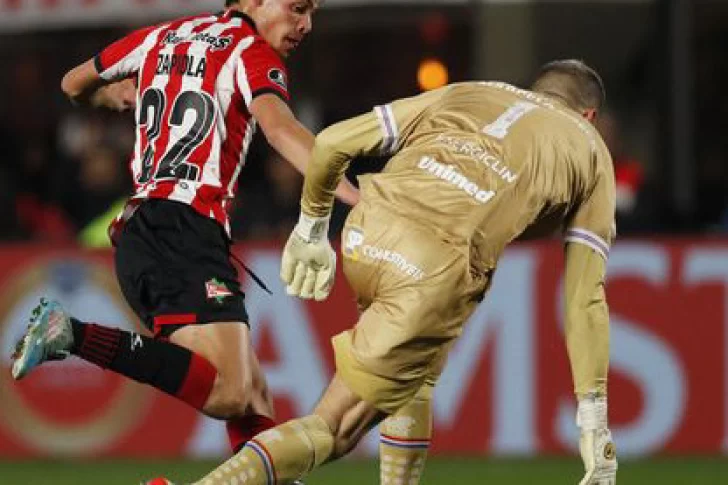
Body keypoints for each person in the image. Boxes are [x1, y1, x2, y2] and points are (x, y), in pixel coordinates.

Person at [190, 59, 619, 485]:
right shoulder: (590, 149)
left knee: (418, 375)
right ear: (589, 117)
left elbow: (333, 142)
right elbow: (584, 299)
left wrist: (312, 226)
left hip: (367, 231)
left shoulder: (469, 90)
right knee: (334, 429)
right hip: (432, 267)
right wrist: (594, 418)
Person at [10, 0, 358, 459]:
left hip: (149, 228)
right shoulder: (250, 50)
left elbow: (73, 83)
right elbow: (280, 130)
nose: (306, 24)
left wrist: (113, 95)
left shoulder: (162, 36)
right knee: (232, 392)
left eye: (311, 13)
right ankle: (69, 333)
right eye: (297, 8)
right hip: (182, 229)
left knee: (252, 397)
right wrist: (357, 196)